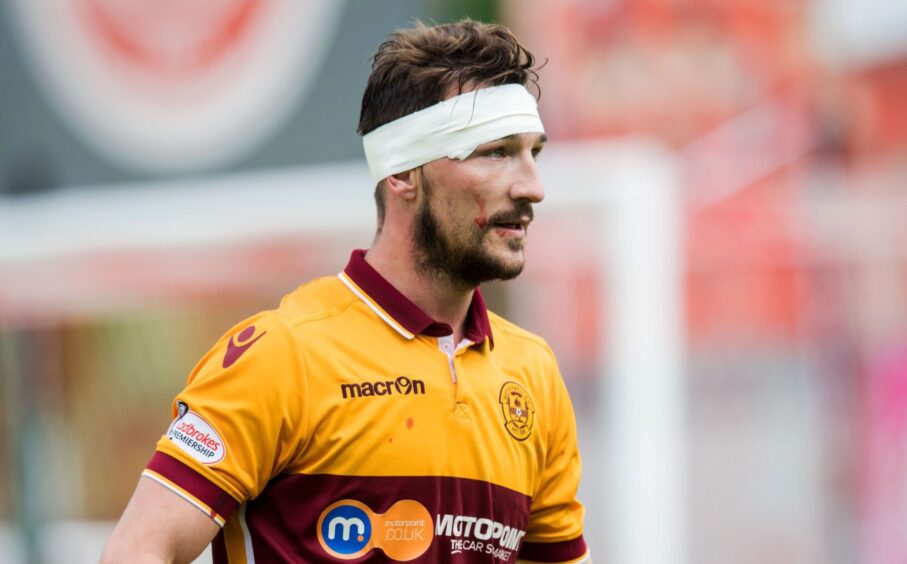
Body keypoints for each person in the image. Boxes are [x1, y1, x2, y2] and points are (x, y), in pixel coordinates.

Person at [102, 19, 589, 564]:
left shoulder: (534, 375)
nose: (532, 187)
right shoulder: (282, 356)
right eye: (496, 152)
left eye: (534, 153)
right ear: (403, 173)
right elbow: (139, 550)